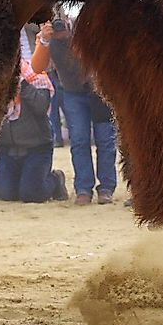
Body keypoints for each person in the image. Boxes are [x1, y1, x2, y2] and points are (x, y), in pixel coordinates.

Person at [47, 14, 118, 205]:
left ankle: (106, 187)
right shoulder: (49, 42)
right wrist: (45, 39)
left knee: (105, 140)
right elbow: (38, 67)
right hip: (72, 93)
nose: (60, 31)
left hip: (98, 91)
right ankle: (83, 188)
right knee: (79, 140)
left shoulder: (84, 30)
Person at [0, 48, 67, 204]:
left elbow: (41, 107)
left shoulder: (37, 74)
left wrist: (23, 85)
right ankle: (18, 180)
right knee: (4, 194)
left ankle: (56, 179)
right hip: (6, 149)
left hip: (37, 148)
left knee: (32, 195)